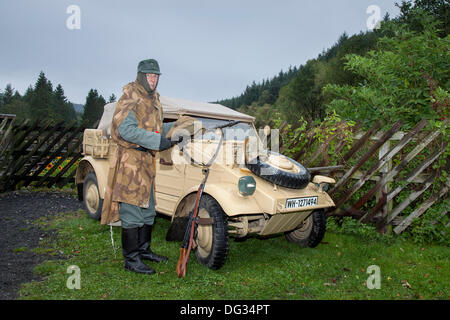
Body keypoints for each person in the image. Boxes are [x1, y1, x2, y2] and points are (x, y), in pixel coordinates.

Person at [101, 58, 175, 275]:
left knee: (148, 209)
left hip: (146, 163)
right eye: (150, 76)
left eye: (156, 76)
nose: (153, 80)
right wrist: (157, 141)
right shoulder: (131, 96)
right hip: (130, 162)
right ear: (141, 75)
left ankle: (144, 251)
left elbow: (155, 127)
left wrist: (177, 128)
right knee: (132, 210)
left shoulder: (153, 98)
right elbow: (125, 129)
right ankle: (131, 260)